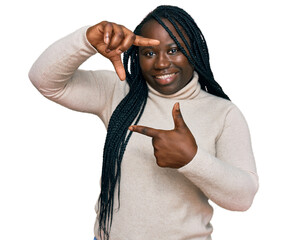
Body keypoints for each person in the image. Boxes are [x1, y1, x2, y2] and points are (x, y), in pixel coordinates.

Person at [29, 5, 259, 240]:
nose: (161, 63)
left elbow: (243, 198)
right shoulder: (118, 92)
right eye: (149, 53)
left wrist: (192, 159)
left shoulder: (223, 113)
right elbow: (44, 80)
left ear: (195, 51)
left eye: (174, 50)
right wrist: (86, 40)